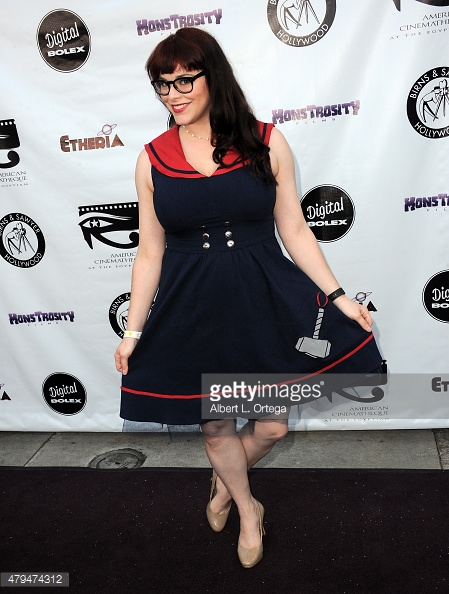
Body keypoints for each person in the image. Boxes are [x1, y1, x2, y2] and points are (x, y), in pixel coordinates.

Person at [114, 27, 383, 569]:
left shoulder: (265, 140)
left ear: (213, 75)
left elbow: (297, 231)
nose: (174, 93)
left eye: (185, 79)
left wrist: (338, 297)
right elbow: (148, 254)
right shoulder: (151, 159)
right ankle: (247, 507)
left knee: (271, 424)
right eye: (162, 85)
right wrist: (133, 331)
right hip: (193, 307)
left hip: (261, 299)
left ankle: (222, 487)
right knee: (216, 426)